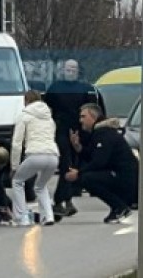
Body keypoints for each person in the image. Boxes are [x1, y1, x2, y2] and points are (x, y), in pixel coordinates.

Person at [44, 59, 105, 217]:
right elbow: (46, 108)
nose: (70, 71)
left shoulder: (85, 88)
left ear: (78, 71)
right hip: (61, 130)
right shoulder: (55, 88)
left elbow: (93, 110)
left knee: (76, 166)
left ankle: (67, 199)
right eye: (67, 68)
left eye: (73, 69)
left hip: (80, 131)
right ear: (63, 70)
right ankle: (60, 201)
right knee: (67, 164)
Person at [65, 103, 138, 224]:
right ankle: (117, 207)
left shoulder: (105, 133)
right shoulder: (99, 132)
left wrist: (78, 173)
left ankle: (120, 207)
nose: (80, 120)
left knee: (86, 178)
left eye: (83, 116)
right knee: (88, 176)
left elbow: (99, 162)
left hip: (125, 178)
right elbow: (94, 156)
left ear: (93, 117)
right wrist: (78, 147)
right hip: (119, 175)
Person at [10, 90, 59, 226]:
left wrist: (14, 166)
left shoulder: (24, 115)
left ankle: (22, 217)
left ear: (26, 101)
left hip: (35, 154)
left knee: (18, 181)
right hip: (53, 156)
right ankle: (48, 216)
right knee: (41, 186)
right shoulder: (49, 118)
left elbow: (16, 143)